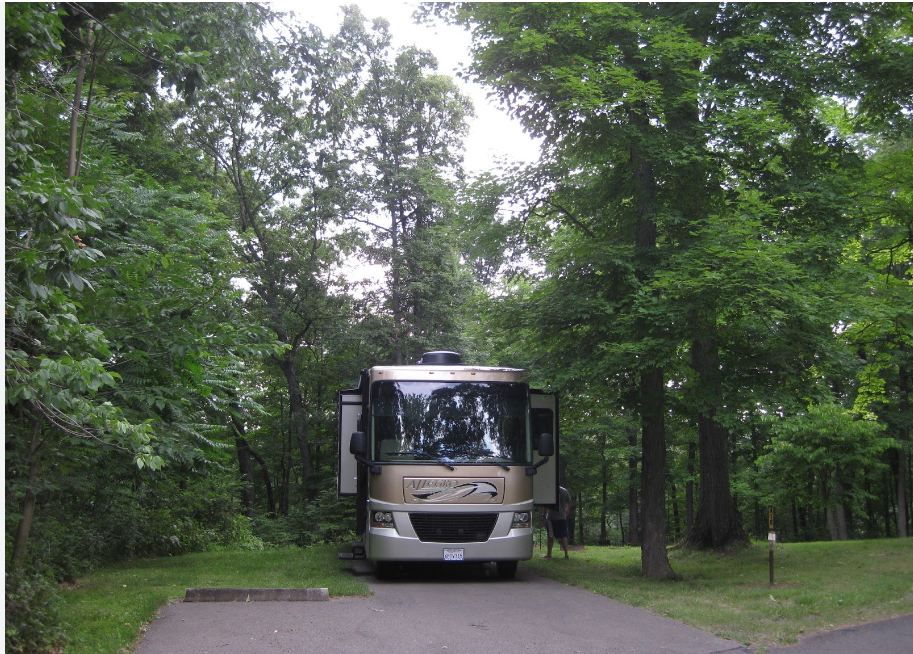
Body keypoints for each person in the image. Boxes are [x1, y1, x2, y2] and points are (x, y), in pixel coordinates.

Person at [542, 485, 572, 558]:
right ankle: (566, 554)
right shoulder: (564, 491)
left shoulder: (550, 491)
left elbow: (546, 505)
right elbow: (569, 501)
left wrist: (543, 515)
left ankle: (549, 554)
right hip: (562, 517)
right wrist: (567, 509)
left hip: (551, 518)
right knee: (563, 536)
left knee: (550, 536)